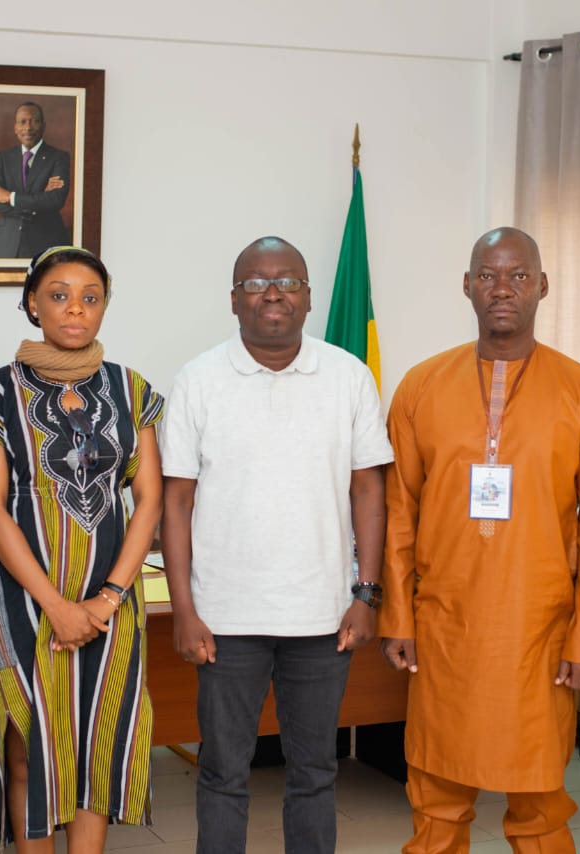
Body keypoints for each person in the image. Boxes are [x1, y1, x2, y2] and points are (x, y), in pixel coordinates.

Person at [380, 226, 580, 853]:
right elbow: (398, 512)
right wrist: (398, 617)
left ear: (542, 286)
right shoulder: (420, 386)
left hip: (539, 632)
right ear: (466, 286)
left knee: (541, 806)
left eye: (518, 276)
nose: (502, 289)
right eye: (488, 275)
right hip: (445, 628)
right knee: (436, 802)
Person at [159, 236, 393, 853]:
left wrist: (366, 593)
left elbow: (369, 492)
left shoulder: (348, 375)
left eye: (287, 282)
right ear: (234, 300)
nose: (273, 294)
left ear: (309, 297)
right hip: (225, 619)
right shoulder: (198, 379)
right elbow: (175, 501)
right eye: (258, 283)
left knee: (315, 773)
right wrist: (184, 609)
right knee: (222, 773)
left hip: (321, 618)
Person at [0, 246, 163, 853]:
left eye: (90, 296)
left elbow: (150, 501)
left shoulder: (131, 389)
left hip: (112, 604)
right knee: (31, 747)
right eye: (58, 294)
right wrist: (56, 604)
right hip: (22, 599)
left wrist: (106, 601)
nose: (75, 309)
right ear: (32, 303)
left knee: (95, 749)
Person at [0, 102, 72, 258]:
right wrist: (38, 199)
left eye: (34, 121)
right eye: (22, 122)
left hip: (46, 241)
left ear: (43, 125)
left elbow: (55, 200)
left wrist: (9, 197)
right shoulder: (3, 158)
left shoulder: (58, 157)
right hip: (9, 244)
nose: (28, 127)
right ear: (15, 127)